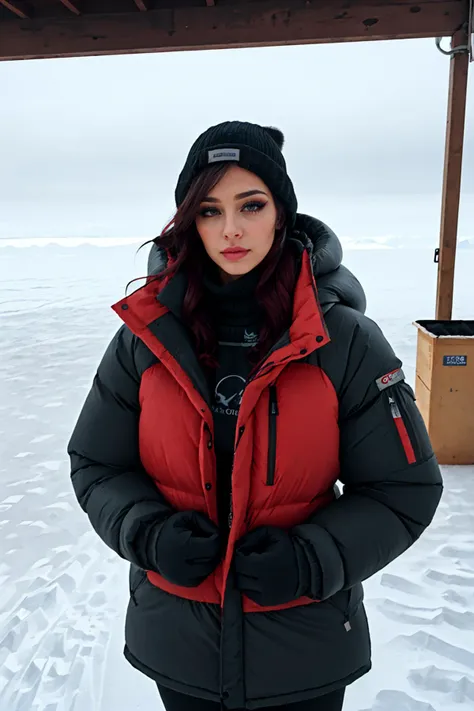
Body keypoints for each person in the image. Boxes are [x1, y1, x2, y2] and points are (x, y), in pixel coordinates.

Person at [68, 121, 443, 711]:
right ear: (189, 221)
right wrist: (147, 534)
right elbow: (95, 463)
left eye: (251, 204)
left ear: (282, 213)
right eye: (210, 211)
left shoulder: (343, 340)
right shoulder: (145, 339)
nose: (232, 229)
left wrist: (312, 560)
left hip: (305, 650)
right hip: (179, 643)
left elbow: (404, 487)